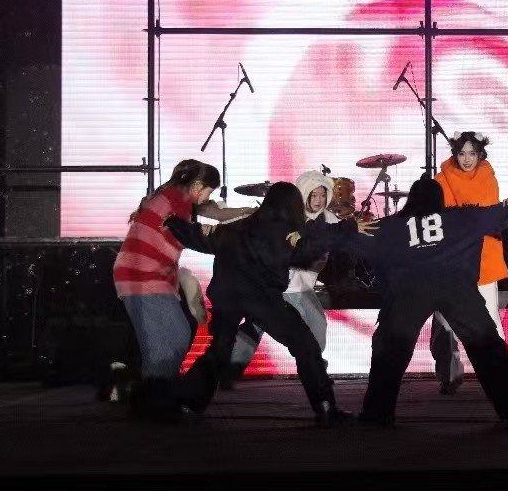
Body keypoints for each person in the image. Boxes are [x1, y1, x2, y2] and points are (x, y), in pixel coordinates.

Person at [350, 176, 508, 428]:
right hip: (456, 289)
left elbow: (348, 240)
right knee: (488, 348)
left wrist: (338, 230)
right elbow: (503, 211)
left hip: (409, 291)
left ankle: (376, 414)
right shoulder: (463, 218)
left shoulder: (389, 226)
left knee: (390, 350)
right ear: (440, 199)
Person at [164, 181, 375, 427]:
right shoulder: (285, 234)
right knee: (305, 346)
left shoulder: (234, 228)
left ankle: (187, 404)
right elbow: (311, 248)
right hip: (263, 300)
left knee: (219, 349)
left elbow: (199, 238)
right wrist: (347, 227)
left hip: (228, 298)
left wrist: (173, 222)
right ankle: (326, 409)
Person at [111, 160, 221, 423]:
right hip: (143, 277)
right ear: (197, 186)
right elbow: (187, 235)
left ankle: (154, 400)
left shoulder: (168, 197)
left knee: (172, 339)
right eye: (208, 191)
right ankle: (153, 403)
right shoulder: (177, 201)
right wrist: (208, 234)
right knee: (166, 344)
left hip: (144, 276)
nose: (207, 198)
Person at [221, 169, 340, 387]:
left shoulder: (329, 219)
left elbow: (343, 235)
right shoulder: (287, 218)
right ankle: (229, 370)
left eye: (322, 195)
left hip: (302, 288)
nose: (318, 200)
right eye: (313, 195)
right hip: (278, 288)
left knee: (316, 327)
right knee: (255, 328)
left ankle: (315, 371)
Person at [430, 131, 508, 394]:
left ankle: (502, 376)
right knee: (444, 320)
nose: (466, 159)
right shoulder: (441, 180)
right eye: (462, 153)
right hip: (452, 259)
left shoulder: (488, 179)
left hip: (483, 256)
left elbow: (488, 219)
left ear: (480, 154)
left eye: (472, 153)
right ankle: (449, 374)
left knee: (490, 318)